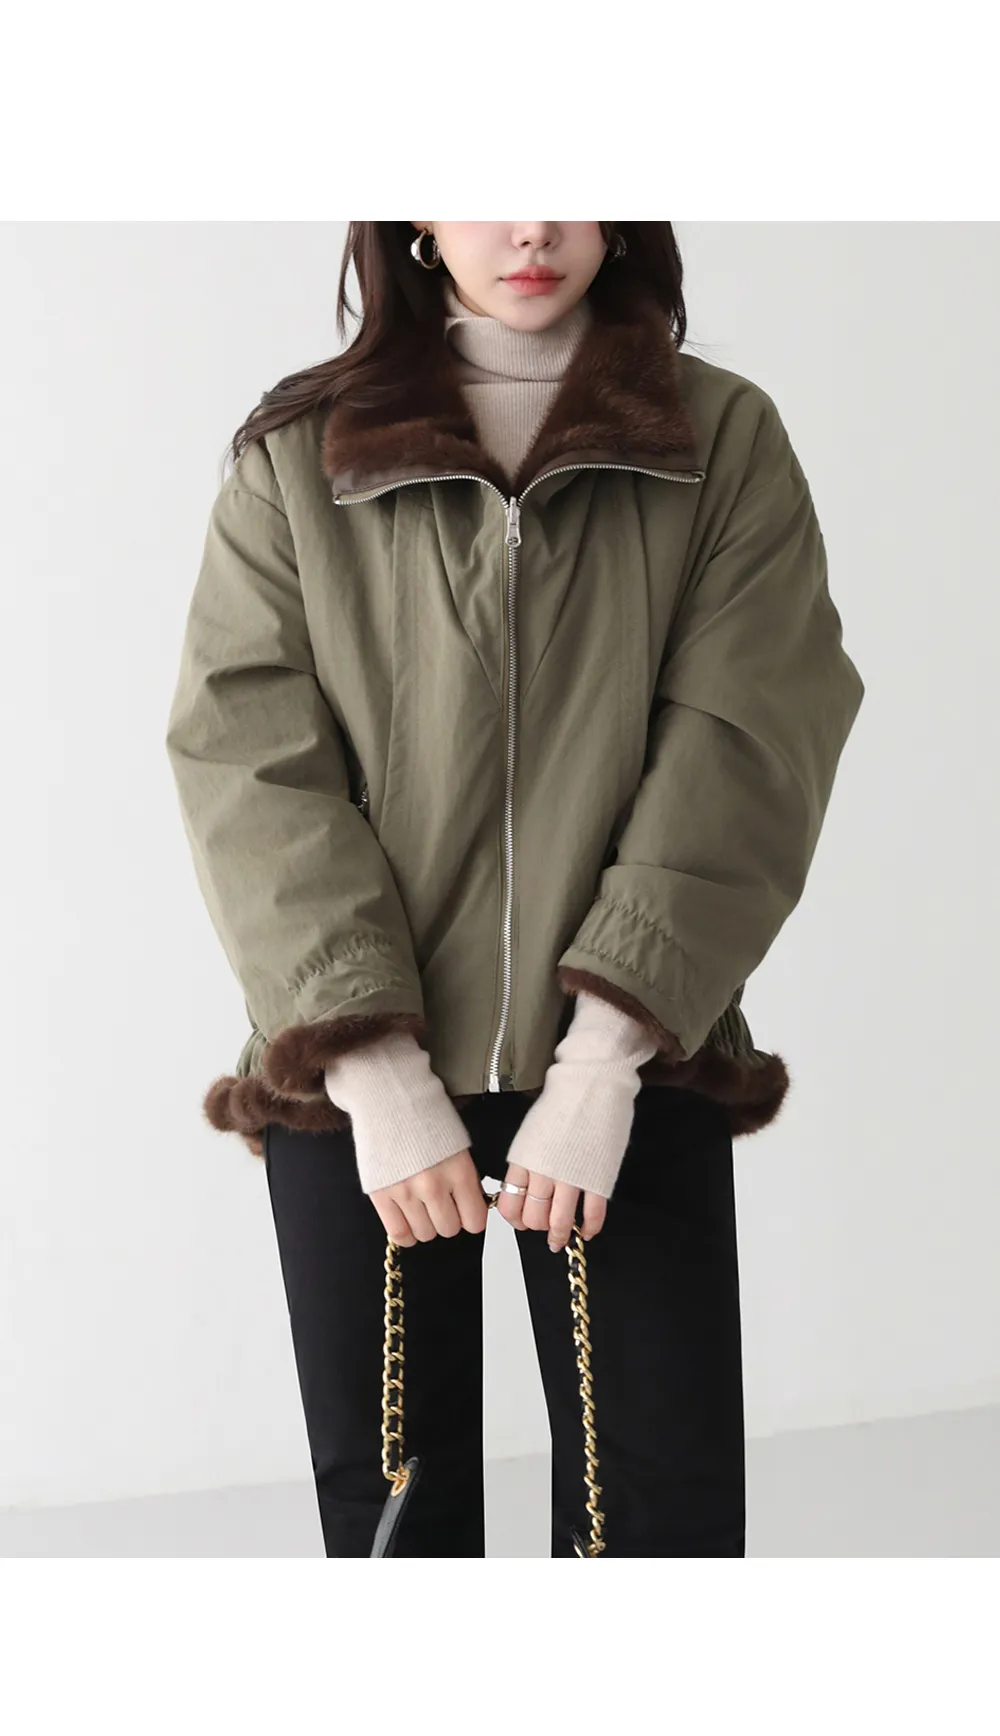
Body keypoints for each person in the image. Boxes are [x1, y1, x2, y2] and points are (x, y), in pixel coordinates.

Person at [165, 221, 865, 1558]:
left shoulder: (721, 437)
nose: (531, 224)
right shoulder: (297, 455)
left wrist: (604, 1061)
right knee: (395, 1531)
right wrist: (374, 1068)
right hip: (361, 1074)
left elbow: (749, 743)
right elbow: (247, 764)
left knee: (652, 1526)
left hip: (635, 1058)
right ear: (415, 216)